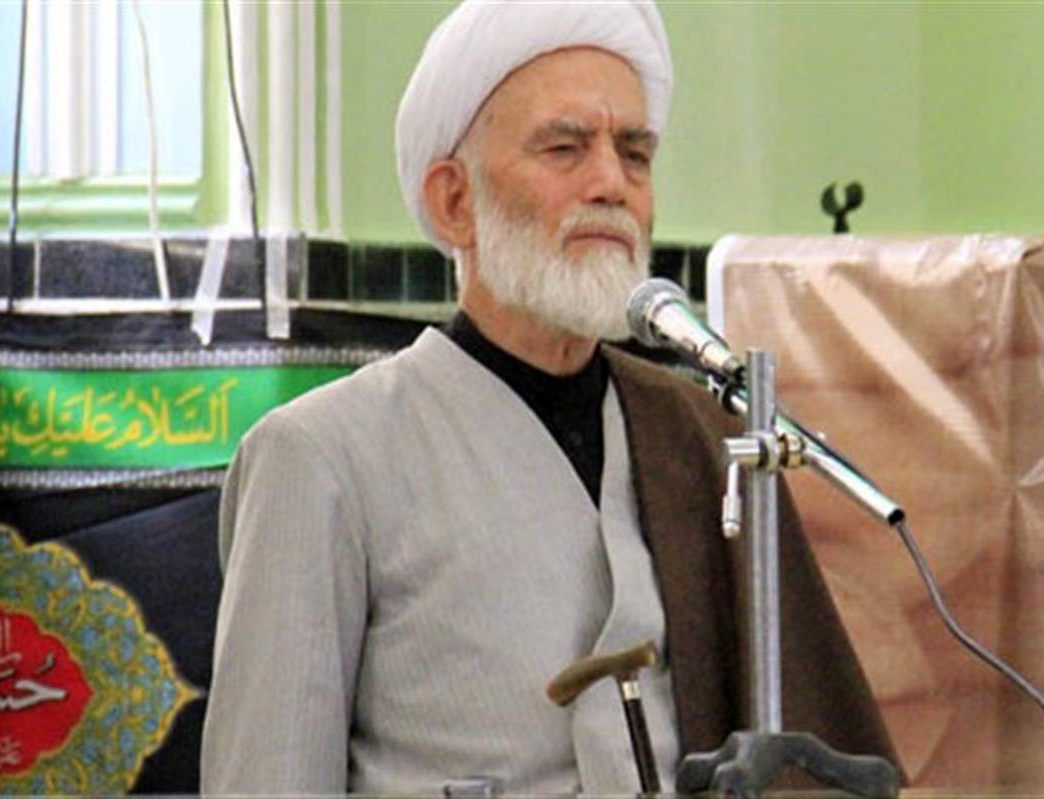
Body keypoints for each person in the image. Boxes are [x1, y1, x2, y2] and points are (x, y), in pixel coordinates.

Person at [200, 0, 896, 793]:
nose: (611, 183)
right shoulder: (319, 456)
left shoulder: (696, 434)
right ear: (454, 202)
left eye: (634, 154)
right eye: (565, 148)